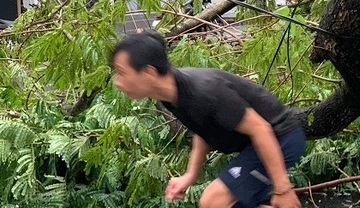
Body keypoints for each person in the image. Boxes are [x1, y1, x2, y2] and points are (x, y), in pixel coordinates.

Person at [111, 31, 305, 208]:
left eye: (121, 72)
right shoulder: (171, 96)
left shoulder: (205, 91)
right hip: (260, 144)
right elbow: (203, 132)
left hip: (280, 138)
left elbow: (261, 129)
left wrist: (283, 189)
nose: (117, 82)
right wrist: (190, 175)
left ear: (149, 72)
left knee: (213, 202)